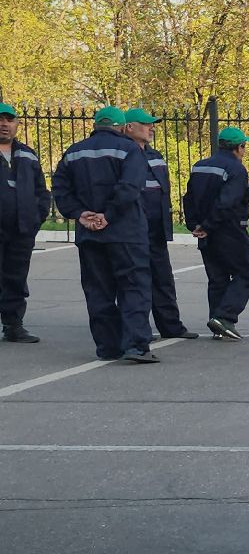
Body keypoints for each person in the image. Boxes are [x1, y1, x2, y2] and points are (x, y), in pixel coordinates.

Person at [50, 106, 158, 363]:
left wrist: (80, 214)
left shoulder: (74, 152)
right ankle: (135, 345)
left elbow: (61, 189)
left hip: (90, 234)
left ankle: (108, 346)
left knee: (98, 290)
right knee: (133, 287)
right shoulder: (129, 149)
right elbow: (130, 187)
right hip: (125, 231)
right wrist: (108, 215)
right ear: (122, 127)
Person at [123, 108, 197, 340]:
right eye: (146, 124)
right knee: (136, 282)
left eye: (152, 124)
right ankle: (138, 329)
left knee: (163, 279)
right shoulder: (123, 154)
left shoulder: (155, 155)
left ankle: (171, 325)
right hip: (133, 229)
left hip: (156, 229)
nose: (151, 128)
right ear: (129, 127)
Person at [184, 127, 249, 340]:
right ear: (239, 147)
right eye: (244, 146)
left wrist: (195, 226)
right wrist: (208, 225)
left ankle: (217, 322)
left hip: (205, 232)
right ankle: (224, 317)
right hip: (228, 229)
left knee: (217, 277)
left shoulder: (200, 166)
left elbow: (188, 198)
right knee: (246, 273)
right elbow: (226, 202)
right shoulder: (236, 169)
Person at [0, 103, 52, 343]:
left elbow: (41, 191)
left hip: (21, 230)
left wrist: (35, 219)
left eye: (9, 119)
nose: (4, 124)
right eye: (0, 119)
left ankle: (13, 326)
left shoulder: (27, 154)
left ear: (17, 124)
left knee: (15, 277)